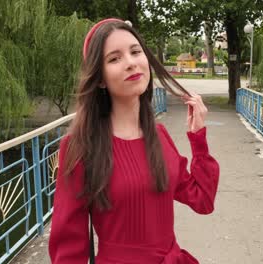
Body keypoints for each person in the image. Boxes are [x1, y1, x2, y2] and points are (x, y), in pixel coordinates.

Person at [48, 18, 220, 263]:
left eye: (135, 52)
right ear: (99, 79)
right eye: (114, 58)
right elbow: (68, 248)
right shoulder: (81, 147)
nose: (130, 63)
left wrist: (198, 140)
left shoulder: (160, 137)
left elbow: (203, 200)